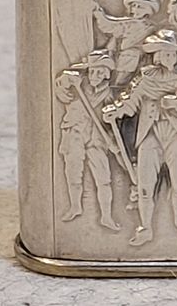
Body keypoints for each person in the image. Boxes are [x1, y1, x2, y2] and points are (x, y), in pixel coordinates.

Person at [102, 29, 177, 246]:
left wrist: (174, 103)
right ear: (157, 55)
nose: (170, 58)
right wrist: (115, 111)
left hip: (176, 133)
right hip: (151, 133)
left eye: (172, 53)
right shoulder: (146, 78)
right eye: (165, 53)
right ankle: (145, 227)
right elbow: (130, 101)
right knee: (145, 184)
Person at [54, 50, 120, 231]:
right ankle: (75, 207)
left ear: (106, 75)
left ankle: (106, 216)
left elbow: (114, 120)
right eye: (92, 71)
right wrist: (65, 79)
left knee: (104, 178)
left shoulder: (108, 93)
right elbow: (61, 88)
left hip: (97, 138)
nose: (94, 76)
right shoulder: (76, 84)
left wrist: (112, 138)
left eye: (99, 72)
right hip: (74, 133)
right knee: (73, 173)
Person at [93, 0, 163, 87]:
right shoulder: (130, 23)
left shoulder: (145, 26)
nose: (135, 9)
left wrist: (99, 14)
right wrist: (99, 14)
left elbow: (108, 25)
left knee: (123, 77)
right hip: (126, 57)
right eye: (134, 6)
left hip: (133, 57)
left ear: (148, 10)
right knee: (122, 77)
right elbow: (109, 25)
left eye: (140, 7)